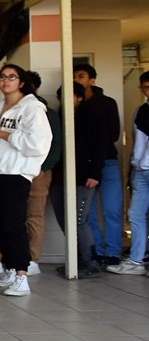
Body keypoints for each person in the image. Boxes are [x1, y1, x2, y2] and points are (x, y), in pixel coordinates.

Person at [0, 71, 61, 276]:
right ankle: (10, 270)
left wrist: (2, 133)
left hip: (16, 174)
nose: (5, 81)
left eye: (11, 77)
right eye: (2, 77)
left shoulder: (33, 108)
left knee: (14, 224)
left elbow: (36, 145)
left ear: (21, 83)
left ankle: (22, 273)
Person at [52, 82, 105, 279]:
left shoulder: (91, 118)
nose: (65, 100)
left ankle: (90, 262)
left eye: (70, 95)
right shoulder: (57, 118)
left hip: (84, 178)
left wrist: (95, 174)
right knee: (65, 220)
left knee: (79, 221)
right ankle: (76, 261)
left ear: (79, 98)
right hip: (58, 178)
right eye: (62, 96)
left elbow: (100, 147)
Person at [74, 63, 123, 266]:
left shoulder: (107, 103)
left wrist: (96, 142)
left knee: (112, 209)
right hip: (84, 165)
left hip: (108, 161)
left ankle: (113, 253)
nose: (77, 79)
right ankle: (96, 252)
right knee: (89, 212)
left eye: (82, 76)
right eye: (75, 76)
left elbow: (113, 134)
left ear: (92, 79)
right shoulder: (74, 105)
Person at [106, 71, 149, 275]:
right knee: (135, 214)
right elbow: (136, 142)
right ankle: (136, 260)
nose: (148, 90)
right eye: (146, 87)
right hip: (141, 170)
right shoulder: (140, 110)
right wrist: (134, 166)